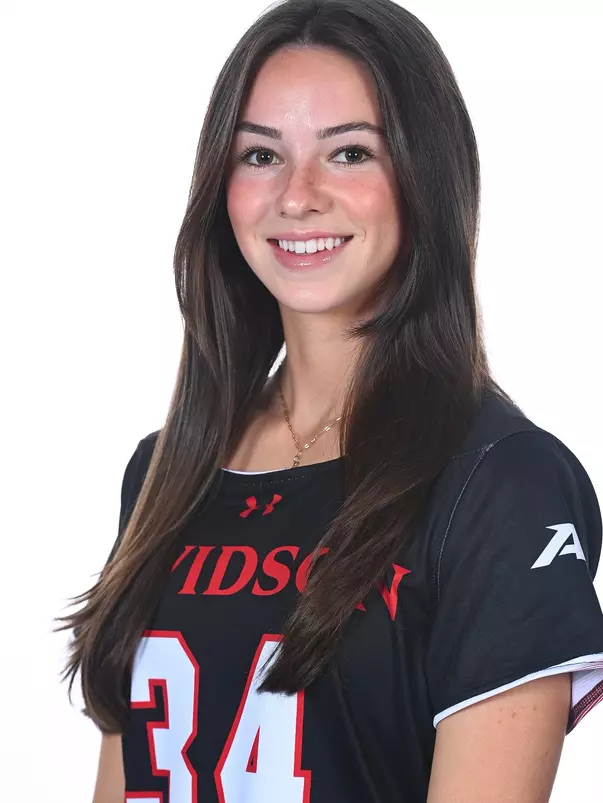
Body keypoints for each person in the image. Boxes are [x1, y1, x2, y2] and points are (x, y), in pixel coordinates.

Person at [55, 0, 603, 801]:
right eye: (259, 155)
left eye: (348, 153)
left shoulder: (501, 482)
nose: (297, 195)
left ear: (423, 176)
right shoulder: (164, 471)